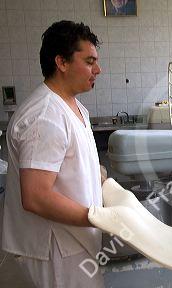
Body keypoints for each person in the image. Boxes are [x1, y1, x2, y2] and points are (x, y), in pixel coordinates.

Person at [1, 20, 106, 287]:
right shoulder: (45, 116)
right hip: (55, 251)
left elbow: (72, 167)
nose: (98, 70)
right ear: (62, 62)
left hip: (76, 242)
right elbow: (36, 196)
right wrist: (98, 217)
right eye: (89, 61)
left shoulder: (75, 108)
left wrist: (102, 180)